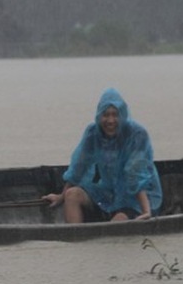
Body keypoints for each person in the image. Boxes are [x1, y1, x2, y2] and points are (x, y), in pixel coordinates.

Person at [43, 88, 162, 223]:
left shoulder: (137, 134)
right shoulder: (93, 133)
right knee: (72, 195)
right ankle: (76, 235)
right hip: (109, 193)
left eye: (115, 115)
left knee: (119, 220)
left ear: (123, 115)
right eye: (105, 115)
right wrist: (61, 196)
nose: (110, 121)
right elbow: (79, 167)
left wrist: (146, 211)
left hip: (137, 198)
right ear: (99, 116)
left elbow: (135, 174)